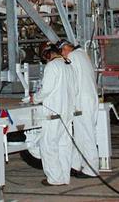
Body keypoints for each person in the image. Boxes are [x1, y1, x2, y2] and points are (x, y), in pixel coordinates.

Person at [31, 42, 75, 187]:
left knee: (48, 145)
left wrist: (34, 98)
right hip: (67, 111)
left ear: (47, 54)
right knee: (64, 145)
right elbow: (74, 88)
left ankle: (55, 178)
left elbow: (46, 90)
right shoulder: (68, 65)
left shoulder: (52, 66)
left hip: (54, 112)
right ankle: (64, 177)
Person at [60, 39, 100, 177]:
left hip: (82, 100)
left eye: (62, 53)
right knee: (80, 134)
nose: (63, 56)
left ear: (66, 49)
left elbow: (72, 82)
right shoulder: (82, 54)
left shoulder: (72, 56)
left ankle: (91, 169)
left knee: (86, 134)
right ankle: (76, 164)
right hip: (90, 98)